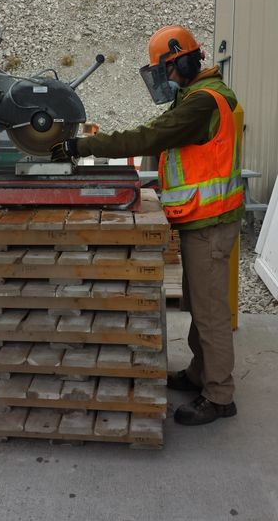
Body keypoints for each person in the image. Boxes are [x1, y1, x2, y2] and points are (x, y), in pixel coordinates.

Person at [51, 25, 245, 426]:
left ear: (187, 60)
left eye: (170, 70)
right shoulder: (194, 97)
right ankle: (199, 373)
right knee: (199, 306)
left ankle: (220, 395)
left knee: (211, 313)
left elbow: (150, 137)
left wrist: (81, 145)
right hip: (200, 220)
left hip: (210, 222)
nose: (168, 80)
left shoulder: (203, 103)